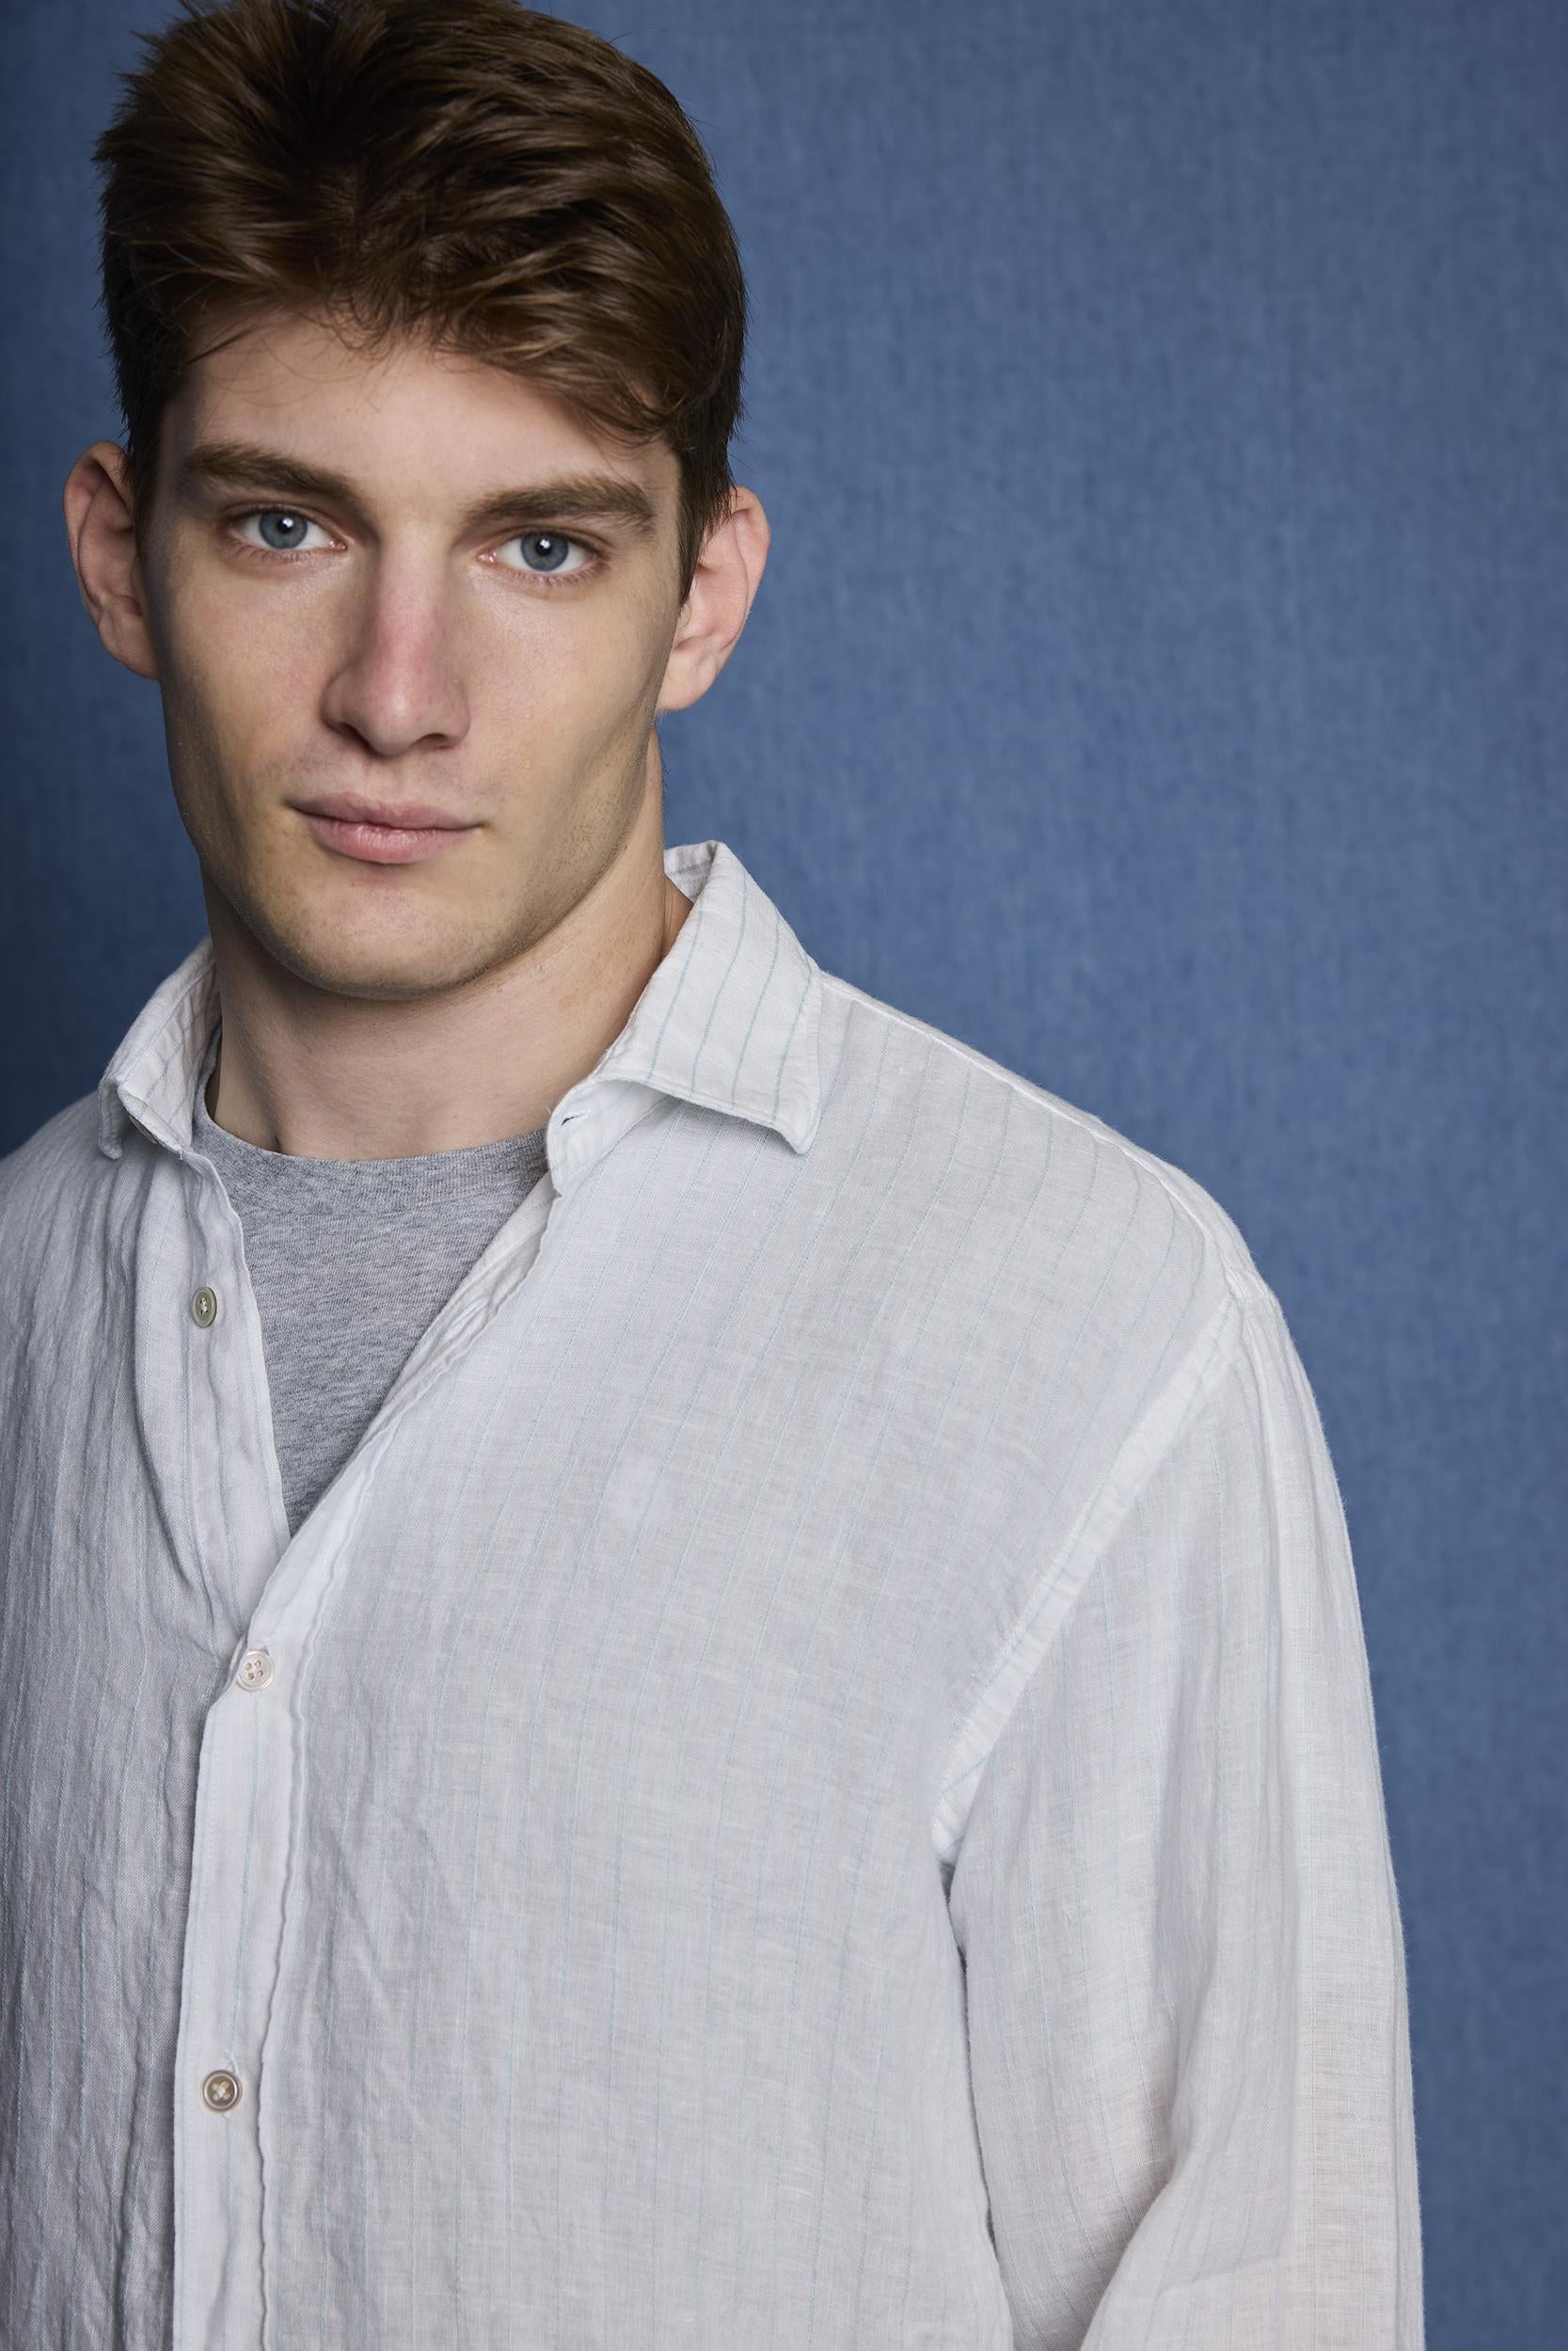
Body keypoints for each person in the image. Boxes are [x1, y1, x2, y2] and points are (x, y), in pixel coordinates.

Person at [0, 1, 1424, 2343]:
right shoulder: (20, 1300)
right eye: (285, 522)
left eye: (542, 545)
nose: (396, 688)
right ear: (116, 554)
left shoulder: (1091, 1334)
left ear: (705, 595)